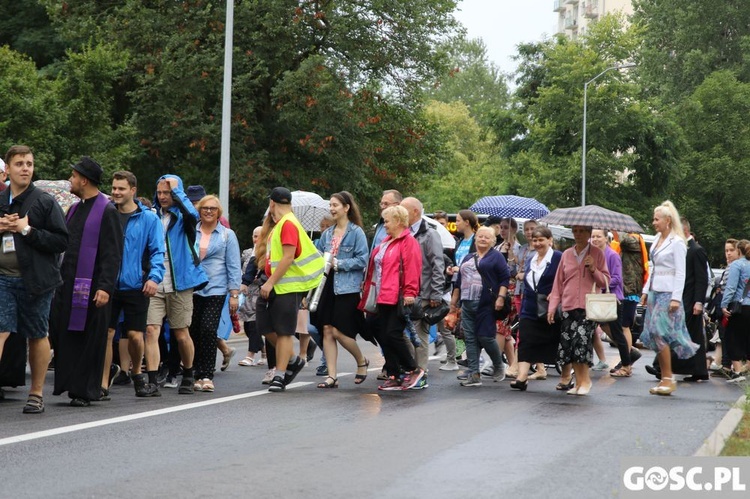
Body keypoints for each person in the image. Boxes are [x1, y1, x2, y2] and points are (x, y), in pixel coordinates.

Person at [0, 145, 68, 413]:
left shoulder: (44, 201)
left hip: (36, 281)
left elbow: (62, 241)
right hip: (3, 279)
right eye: (19, 164)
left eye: (29, 163)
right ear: (8, 169)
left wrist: (26, 230)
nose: (25, 168)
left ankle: (36, 394)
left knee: (37, 335)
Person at [51, 157, 124, 407]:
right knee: (64, 333)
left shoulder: (107, 210)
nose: (70, 180)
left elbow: (112, 253)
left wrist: (105, 287)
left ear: (83, 179)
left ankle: (85, 390)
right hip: (67, 285)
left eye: (72, 176)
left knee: (89, 338)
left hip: (93, 288)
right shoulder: (74, 208)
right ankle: (70, 384)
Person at [258, 187, 325, 392]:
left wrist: (270, 282)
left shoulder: (287, 223)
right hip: (278, 284)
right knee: (263, 325)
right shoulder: (281, 224)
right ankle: (294, 359)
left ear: (272, 204)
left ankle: (280, 374)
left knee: (284, 331)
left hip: (287, 286)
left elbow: (288, 257)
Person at [146, 174, 208, 395]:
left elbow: (194, 214)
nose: (163, 197)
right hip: (155, 282)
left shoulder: (184, 218)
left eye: (168, 193)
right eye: (160, 192)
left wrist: (177, 191)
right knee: (151, 330)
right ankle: (152, 380)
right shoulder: (150, 216)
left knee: (181, 333)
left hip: (180, 283)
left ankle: (189, 374)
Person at [106, 171, 165, 397]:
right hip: (109, 285)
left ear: (133, 191)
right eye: (113, 188)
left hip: (136, 284)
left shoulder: (149, 218)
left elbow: (157, 252)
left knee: (134, 335)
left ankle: (137, 374)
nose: (116, 192)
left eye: (121, 188)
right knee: (107, 334)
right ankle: (102, 383)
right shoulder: (107, 214)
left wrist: (153, 277)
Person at [360, 205, 424, 391]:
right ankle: (395, 373)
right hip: (382, 295)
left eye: (387, 221)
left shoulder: (407, 241)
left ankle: (413, 370)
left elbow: (412, 267)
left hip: (398, 295)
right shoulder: (387, 241)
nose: (385, 225)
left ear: (398, 221)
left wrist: (411, 292)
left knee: (392, 333)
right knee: (376, 329)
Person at [639, 201, 699, 396]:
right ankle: (666, 377)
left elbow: (681, 273)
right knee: (655, 334)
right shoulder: (657, 239)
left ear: (668, 220)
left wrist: (676, 298)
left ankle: (668, 377)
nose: (653, 222)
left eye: (657, 219)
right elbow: (653, 267)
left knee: (659, 330)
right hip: (655, 291)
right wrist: (646, 290)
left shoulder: (678, 242)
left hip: (668, 293)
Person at [312, 191, 370, 389]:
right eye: (330, 205)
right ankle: (332, 376)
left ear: (346, 208)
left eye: (335, 205)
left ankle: (361, 359)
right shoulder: (327, 233)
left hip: (347, 287)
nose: (332, 208)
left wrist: (339, 263)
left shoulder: (356, 232)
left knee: (340, 331)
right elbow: (318, 254)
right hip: (327, 286)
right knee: (327, 329)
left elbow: (363, 259)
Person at [547, 225, 610, 396]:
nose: (578, 234)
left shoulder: (597, 253)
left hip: (587, 307)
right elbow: (558, 282)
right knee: (569, 346)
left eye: (582, 231)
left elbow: (605, 281)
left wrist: (593, 268)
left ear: (589, 233)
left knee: (581, 343)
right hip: (568, 306)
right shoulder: (567, 254)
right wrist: (552, 306)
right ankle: (578, 382)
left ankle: (586, 381)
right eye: (575, 231)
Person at [190, 195, 241, 392]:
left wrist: (234, 293)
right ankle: (195, 371)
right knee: (193, 330)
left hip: (216, 288)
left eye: (213, 208)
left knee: (209, 329)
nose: (209, 211)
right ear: (199, 211)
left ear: (218, 212)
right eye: (205, 208)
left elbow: (234, 265)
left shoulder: (227, 235)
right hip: (193, 288)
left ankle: (206, 374)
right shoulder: (191, 231)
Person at [450, 226, 509, 387]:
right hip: (467, 303)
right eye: (480, 236)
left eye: (487, 237)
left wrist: (501, 298)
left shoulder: (496, 257)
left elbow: (505, 279)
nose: (483, 239)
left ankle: (498, 365)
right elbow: (458, 282)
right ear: (475, 239)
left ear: (492, 241)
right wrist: (453, 304)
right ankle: (474, 373)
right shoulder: (469, 257)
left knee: (485, 336)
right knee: (470, 338)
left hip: (486, 303)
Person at [401, 197, 445, 388]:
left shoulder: (429, 234)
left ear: (415, 212)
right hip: (406, 292)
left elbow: (437, 264)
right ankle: (412, 369)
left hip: (424, 292)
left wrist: (435, 293)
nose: (401, 215)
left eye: (404, 211)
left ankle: (421, 373)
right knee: (403, 332)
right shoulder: (404, 232)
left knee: (420, 334)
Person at [510, 227, 561, 391]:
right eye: (535, 240)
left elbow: (565, 279)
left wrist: (555, 292)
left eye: (541, 240)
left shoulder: (558, 258)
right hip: (530, 305)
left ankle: (566, 377)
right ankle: (522, 377)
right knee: (525, 340)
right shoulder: (531, 258)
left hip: (549, 307)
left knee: (555, 341)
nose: (538, 243)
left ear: (550, 240)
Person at [590, 229, 634, 377]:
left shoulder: (613, 255)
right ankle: (629, 354)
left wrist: (601, 282)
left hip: (612, 299)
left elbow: (616, 278)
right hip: (597, 298)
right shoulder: (593, 255)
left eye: (598, 236)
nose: (595, 239)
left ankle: (627, 365)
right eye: (593, 236)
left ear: (606, 238)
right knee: (595, 327)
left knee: (617, 332)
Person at [615, 232, 648, 373]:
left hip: (630, 290)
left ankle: (626, 360)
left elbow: (622, 241)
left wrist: (616, 231)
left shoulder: (633, 240)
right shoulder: (628, 242)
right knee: (611, 324)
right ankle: (628, 353)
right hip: (624, 289)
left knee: (624, 326)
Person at [720, 239, 750, 382]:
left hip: (740, 306)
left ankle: (737, 371)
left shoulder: (737, 265)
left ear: (739, 250)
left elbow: (731, 287)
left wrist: (724, 305)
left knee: (733, 337)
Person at [238, 226, 265, 366]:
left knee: (254, 324)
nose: (256, 239)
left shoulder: (268, 252)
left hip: (260, 292)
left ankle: (250, 356)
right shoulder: (247, 253)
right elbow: (242, 269)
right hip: (246, 293)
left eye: (260, 236)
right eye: (255, 236)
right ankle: (264, 350)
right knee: (248, 326)